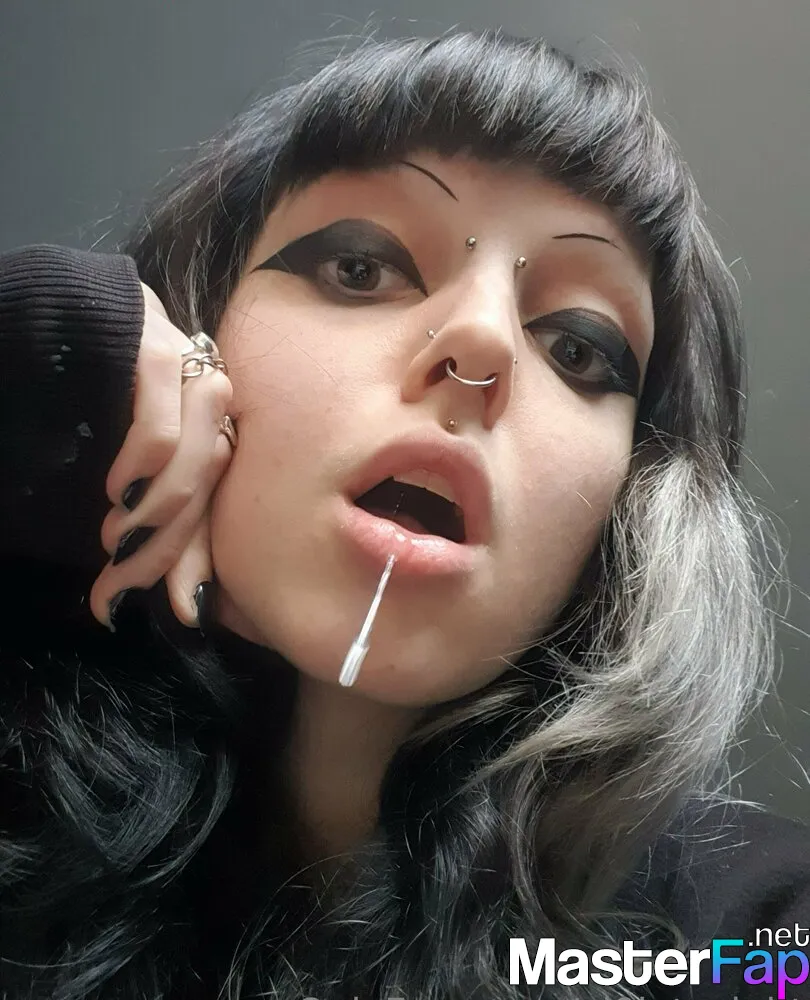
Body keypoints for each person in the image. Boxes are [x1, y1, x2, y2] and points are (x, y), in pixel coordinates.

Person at [1, 29, 808, 1000]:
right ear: (194, 336)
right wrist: (34, 344)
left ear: (632, 504)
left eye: (578, 347)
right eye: (359, 266)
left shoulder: (749, 927)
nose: (480, 342)